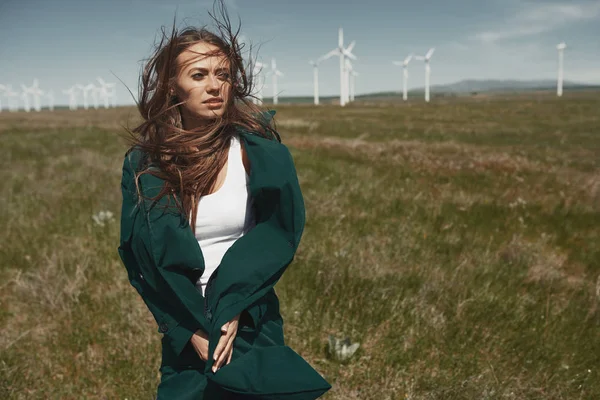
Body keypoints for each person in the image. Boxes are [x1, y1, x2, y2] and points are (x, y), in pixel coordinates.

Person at [117, 2, 331, 399]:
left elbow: (277, 234)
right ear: (171, 85)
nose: (215, 86)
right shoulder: (145, 166)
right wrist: (186, 330)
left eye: (223, 75)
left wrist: (234, 308)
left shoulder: (258, 153)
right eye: (198, 75)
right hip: (184, 322)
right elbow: (138, 257)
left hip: (248, 315)